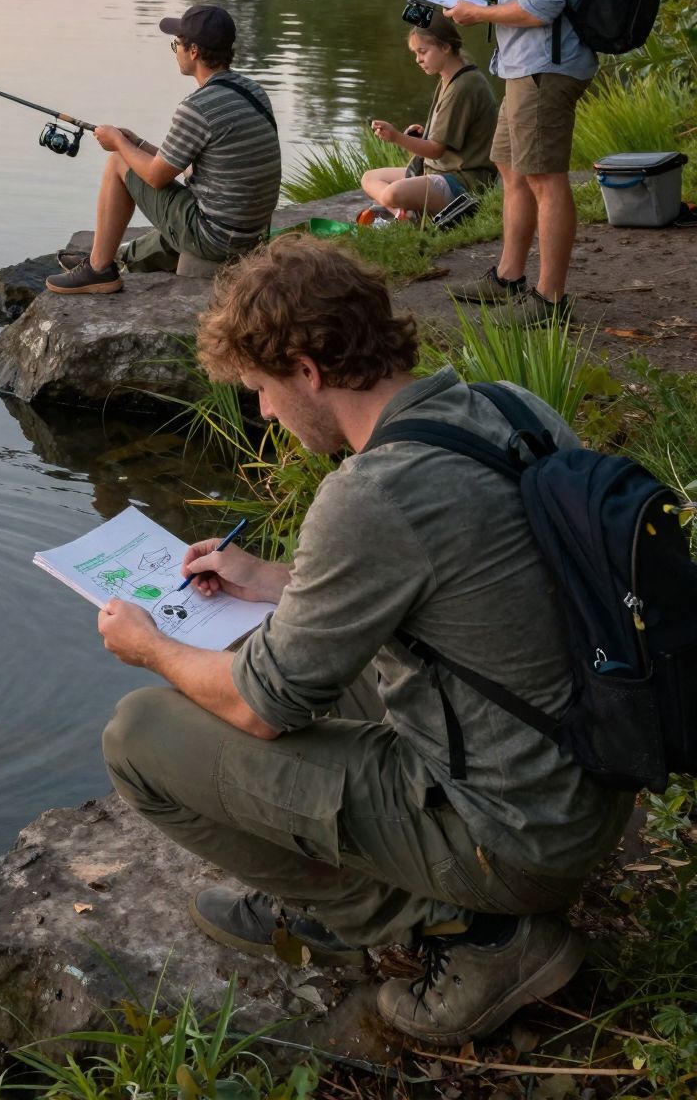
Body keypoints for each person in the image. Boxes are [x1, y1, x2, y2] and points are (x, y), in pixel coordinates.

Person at [96, 236, 630, 1048]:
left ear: (307, 370)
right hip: (582, 788)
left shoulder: (372, 495)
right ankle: (444, 899)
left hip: (514, 842)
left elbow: (261, 708)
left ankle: (456, 931)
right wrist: (267, 578)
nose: (265, 414)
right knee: (264, 652)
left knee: (138, 735)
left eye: (263, 390)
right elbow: (463, 584)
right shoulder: (511, 410)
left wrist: (150, 646)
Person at [441, 0, 596, 322]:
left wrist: (478, 15)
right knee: (510, 166)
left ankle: (550, 300)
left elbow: (543, 5)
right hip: (524, 63)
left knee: (545, 179)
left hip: (546, 66)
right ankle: (508, 278)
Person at [45, 4, 281, 296]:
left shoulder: (197, 107)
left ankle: (98, 270)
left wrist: (119, 143)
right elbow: (192, 164)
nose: (175, 51)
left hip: (218, 238)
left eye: (176, 44)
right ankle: (113, 258)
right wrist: (138, 143)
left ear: (193, 51)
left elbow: (157, 177)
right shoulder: (253, 92)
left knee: (118, 162)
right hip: (252, 232)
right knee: (133, 165)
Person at [360, 14, 497, 221]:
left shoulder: (464, 86)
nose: (418, 59)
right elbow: (450, 137)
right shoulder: (451, 76)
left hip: (462, 182)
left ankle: (406, 212)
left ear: (445, 47)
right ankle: (403, 214)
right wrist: (423, 134)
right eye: (416, 53)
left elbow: (435, 150)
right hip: (437, 170)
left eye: (422, 52)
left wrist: (397, 137)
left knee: (391, 194)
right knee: (370, 178)